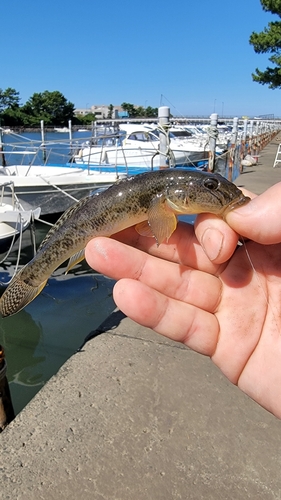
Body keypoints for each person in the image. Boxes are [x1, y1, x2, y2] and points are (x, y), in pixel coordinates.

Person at [85, 182, 281, 419]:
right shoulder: (161, 201)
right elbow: (155, 226)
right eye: (209, 186)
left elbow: (153, 227)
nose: (214, 190)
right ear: (174, 195)